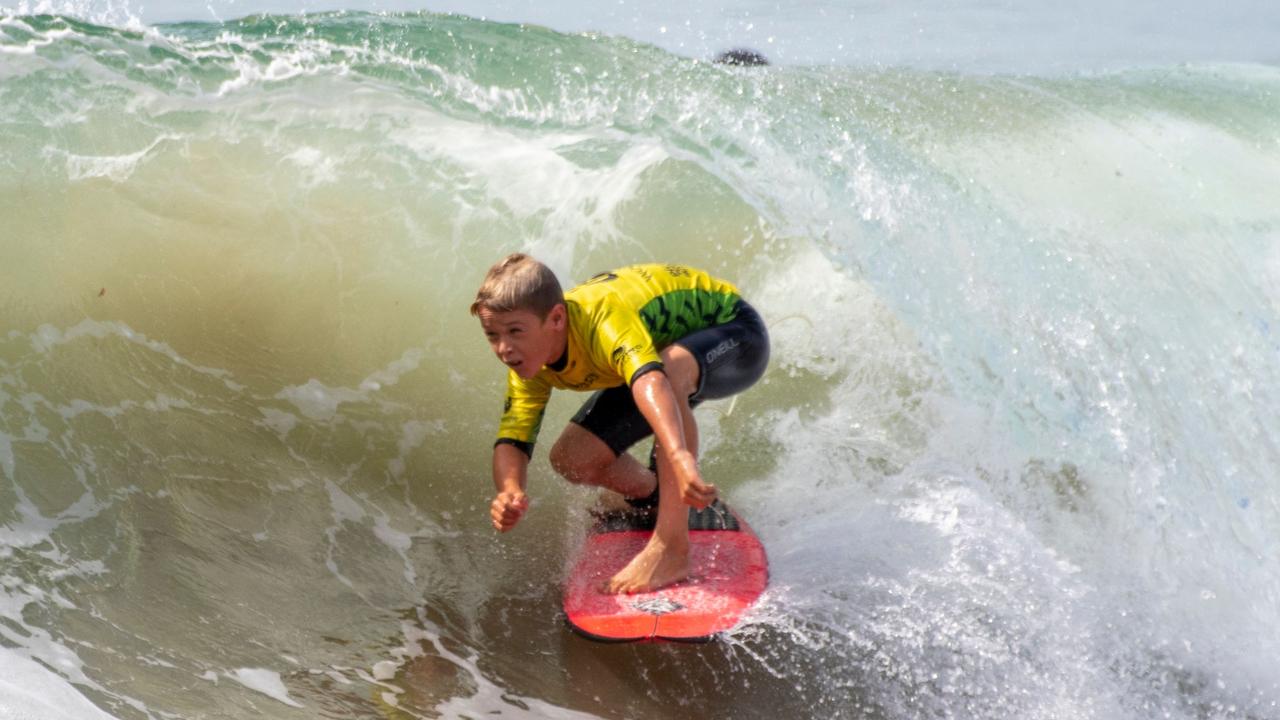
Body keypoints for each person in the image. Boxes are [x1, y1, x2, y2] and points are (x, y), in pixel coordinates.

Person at [470, 254, 769, 594]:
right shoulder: (529, 362)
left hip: (736, 336)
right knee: (572, 459)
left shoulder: (602, 321)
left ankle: (672, 548)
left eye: (514, 332)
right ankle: (656, 495)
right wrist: (510, 490)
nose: (504, 349)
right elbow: (513, 440)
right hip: (662, 353)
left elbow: (652, 384)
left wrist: (679, 454)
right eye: (492, 334)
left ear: (555, 318)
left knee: (669, 373)